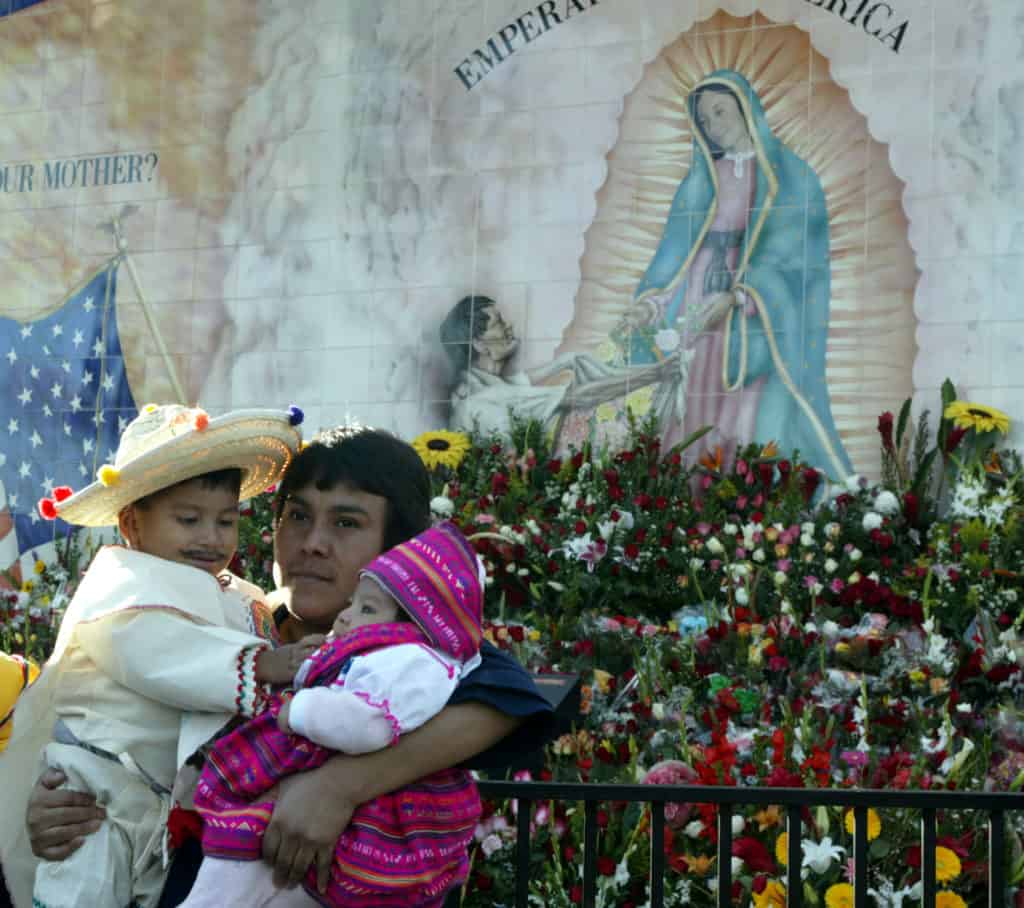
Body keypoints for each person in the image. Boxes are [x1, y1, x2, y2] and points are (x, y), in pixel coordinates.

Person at [22, 424, 555, 906]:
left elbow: (506, 696)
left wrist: (340, 787)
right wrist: (60, 809)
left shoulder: (419, 653)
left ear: (399, 550)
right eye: (297, 516)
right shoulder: (228, 624)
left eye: (346, 523)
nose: (313, 544)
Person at [0, 404, 310, 908]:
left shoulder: (234, 597)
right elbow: (160, 654)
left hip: (157, 810)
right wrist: (260, 665)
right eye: (189, 519)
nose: (211, 538)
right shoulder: (122, 594)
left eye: (226, 521)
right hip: (97, 797)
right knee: (84, 891)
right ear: (132, 526)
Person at [184, 521, 485, 907]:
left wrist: (297, 711)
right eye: (352, 604)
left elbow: (367, 722)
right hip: (317, 820)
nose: (346, 616)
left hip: (343, 815)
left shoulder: (411, 660)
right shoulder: (375, 651)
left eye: (367, 609)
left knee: (239, 870)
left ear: (417, 624)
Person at [621, 69, 852, 479]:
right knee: (690, 398)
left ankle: (740, 501)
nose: (713, 126)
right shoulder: (699, 182)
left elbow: (796, 254)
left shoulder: (789, 179)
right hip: (696, 298)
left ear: (747, 110)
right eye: (704, 119)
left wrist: (737, 295)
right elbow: (674, 255)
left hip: (751, 313)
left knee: (747, 402)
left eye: (721, 112)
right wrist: (649, 304)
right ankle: (685, 505)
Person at [441, 294, 683, 445]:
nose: (509, 326)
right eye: (498, 322)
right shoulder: (484, 399)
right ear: (479, 343)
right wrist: (656, 374)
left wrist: (569, 360)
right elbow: (578, 396)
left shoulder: (485, 386)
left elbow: (524, 380)